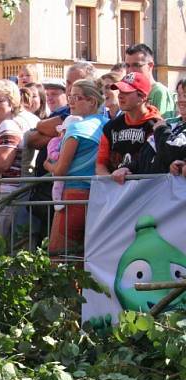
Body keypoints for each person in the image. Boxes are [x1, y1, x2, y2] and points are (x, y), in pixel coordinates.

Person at [43, 79, 108, 259]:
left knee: (58, 255)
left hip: (73, 196)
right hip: (98, 196)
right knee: (86, 257)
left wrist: (47, 164)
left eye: (77, 97)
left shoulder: (77, 128)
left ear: (92, 101)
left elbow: (60, 170)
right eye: (70, 96)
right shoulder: (106, 124)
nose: (71, 102)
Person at [95, 72, 162, 184]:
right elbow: (100, 164)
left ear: (142, 97)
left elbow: (155, 163)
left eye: (126, 92)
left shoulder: (157, 126)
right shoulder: (110, 127)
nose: (120, 95)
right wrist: (111, 180)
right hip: (118, 193)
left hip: (147, 191)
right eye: (120, 90)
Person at [124, 43, 176, 119]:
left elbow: (163, 124)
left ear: (150, 66)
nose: (130, 70)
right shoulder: (129, 90)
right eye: (127, 66)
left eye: (136, 65)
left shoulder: (159, 92)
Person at [150, 79, 186, 174]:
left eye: (185, 95)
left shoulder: (162, 127)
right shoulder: (168, 123)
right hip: (155, 186)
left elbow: (173, 153)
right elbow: (146, 154)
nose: (181, 100)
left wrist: (161, 130)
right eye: (179, 95)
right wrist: (128, 168)